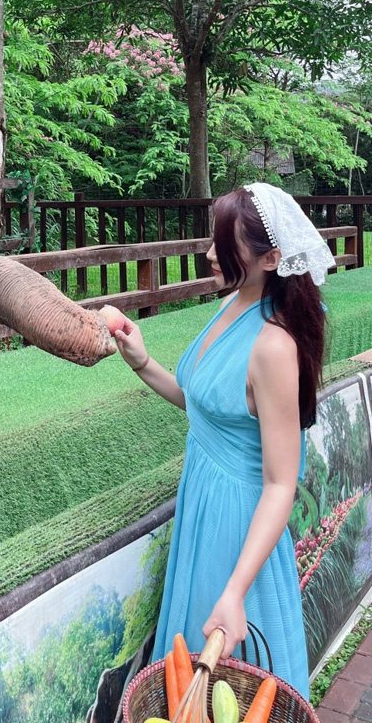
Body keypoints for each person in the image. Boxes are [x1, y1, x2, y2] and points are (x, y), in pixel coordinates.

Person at [112, 183, 335, 697]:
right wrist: (143, 362)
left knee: (230, 688)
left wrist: (235, 592)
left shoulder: (274, 344)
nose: (209, 253)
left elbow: (282, 483)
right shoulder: (236, 301)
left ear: (271, 257)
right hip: (202, 506)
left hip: (238, 529)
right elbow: (208, 408)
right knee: (193, 689)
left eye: (223, 245)